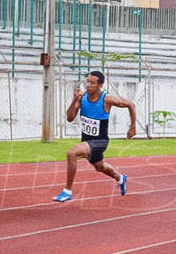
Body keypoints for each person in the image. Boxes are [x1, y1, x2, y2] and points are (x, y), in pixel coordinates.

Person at [53, 70, 136, 202]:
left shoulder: (107, 99)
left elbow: (130, 104)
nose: (88, 85)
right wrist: (74, 100)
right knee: (99, 166)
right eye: (88, 82)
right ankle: (120, 178)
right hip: (86, 140)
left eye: (93, 83)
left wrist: (132, 127)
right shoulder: (82, 98)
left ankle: (67, 191)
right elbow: (69, 118)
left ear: (100, 85)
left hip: (100, 141)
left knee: (71, 154)